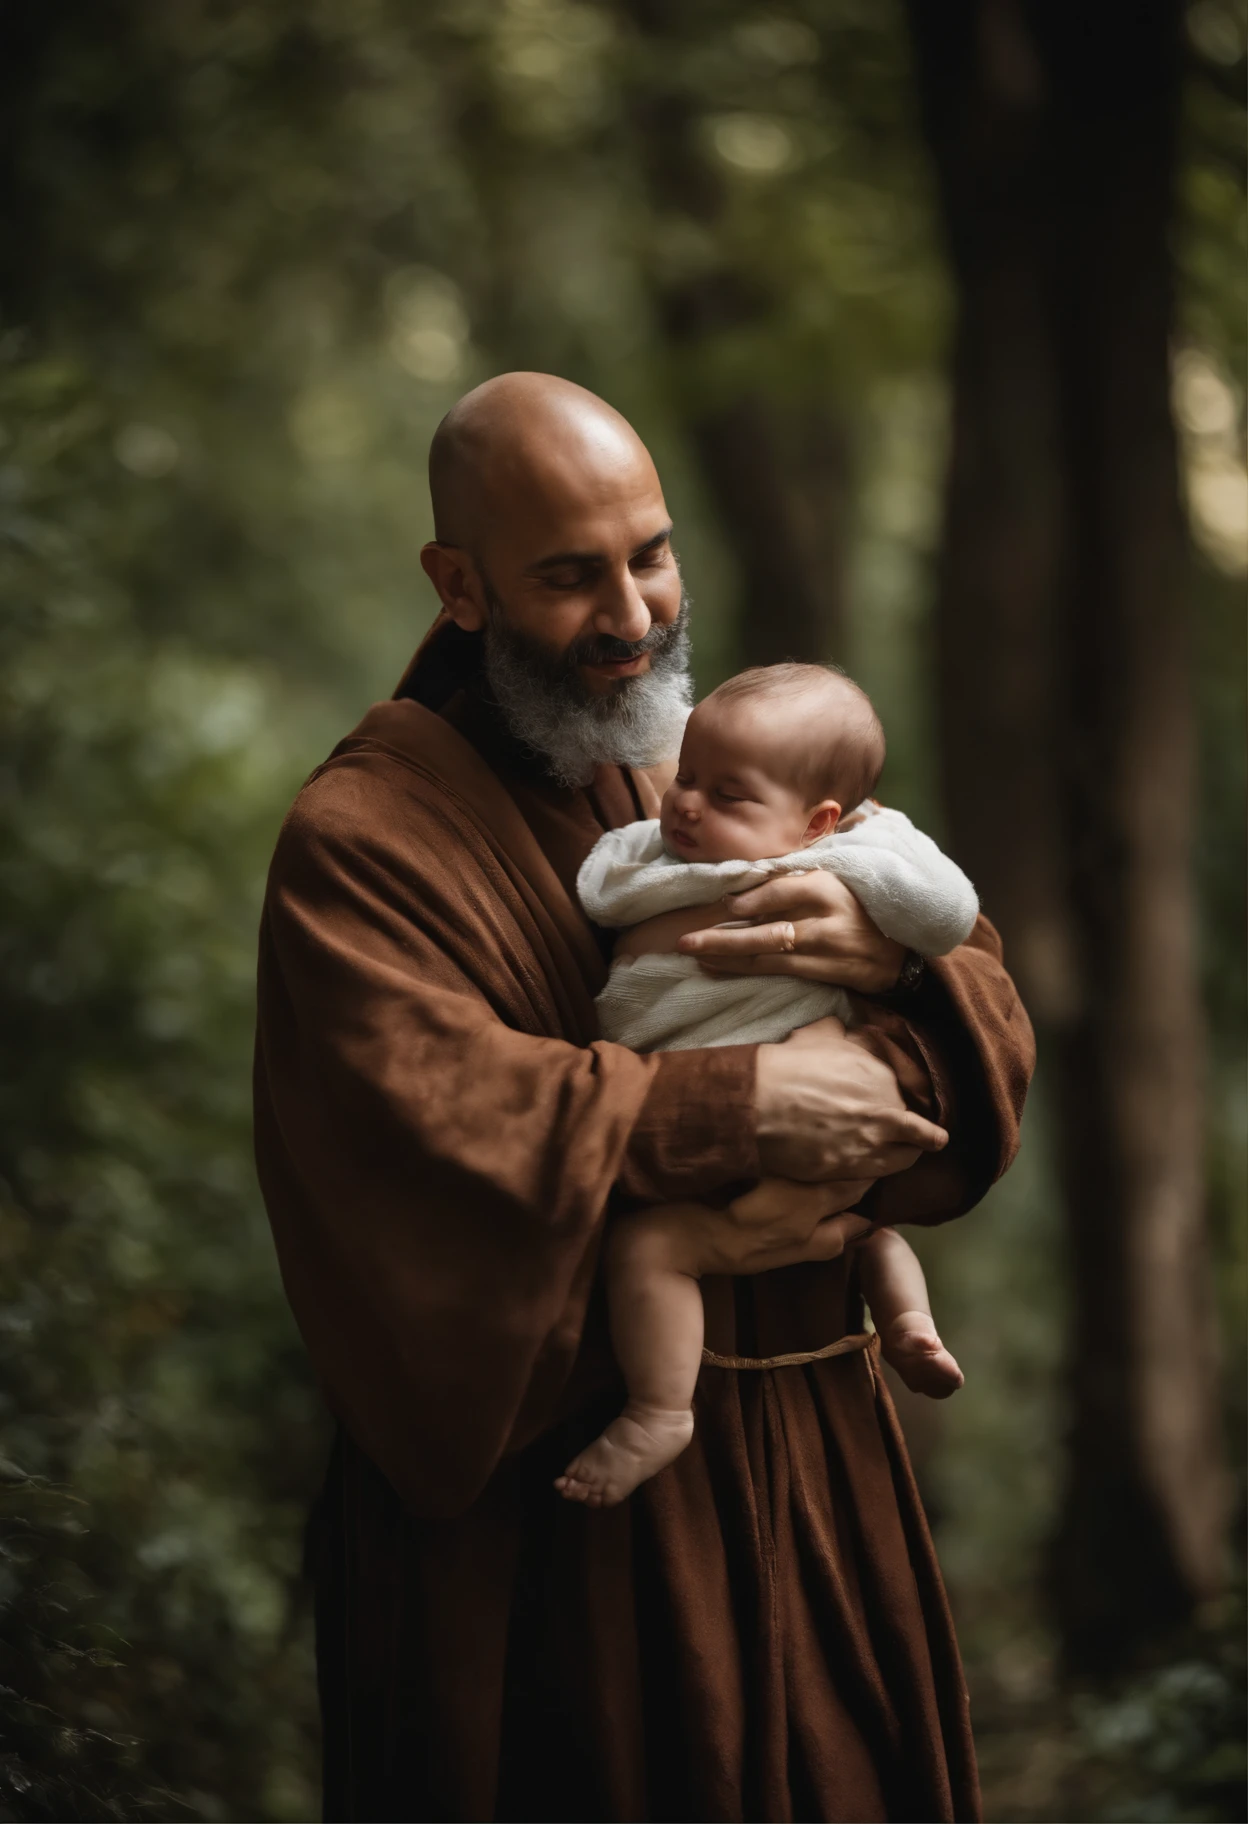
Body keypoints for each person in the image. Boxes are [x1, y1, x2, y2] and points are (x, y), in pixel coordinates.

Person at [253, 371, 1035, 1823]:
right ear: (460, 584)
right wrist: (736, 1112)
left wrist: (895, 981)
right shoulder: (358, 839)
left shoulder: (716, 773)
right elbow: (424, 1123)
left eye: (650, 554)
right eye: (568, 576)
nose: (630, 616)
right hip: (551, 1543)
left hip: (812, 1462)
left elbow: (980, 988)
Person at [557, 663, 972, 1508]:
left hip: (800, 1117)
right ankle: (906, 1322)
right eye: (687, 777)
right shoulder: (658, 853)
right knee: (859, 1231)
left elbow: (949, 916)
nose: (686, 805)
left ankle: (658, 1411)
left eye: (729, 795)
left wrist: (878, 878)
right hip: (720, 1116)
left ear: (819, 821)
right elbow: (600, 895)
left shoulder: (852, 856)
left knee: (652, 1252)